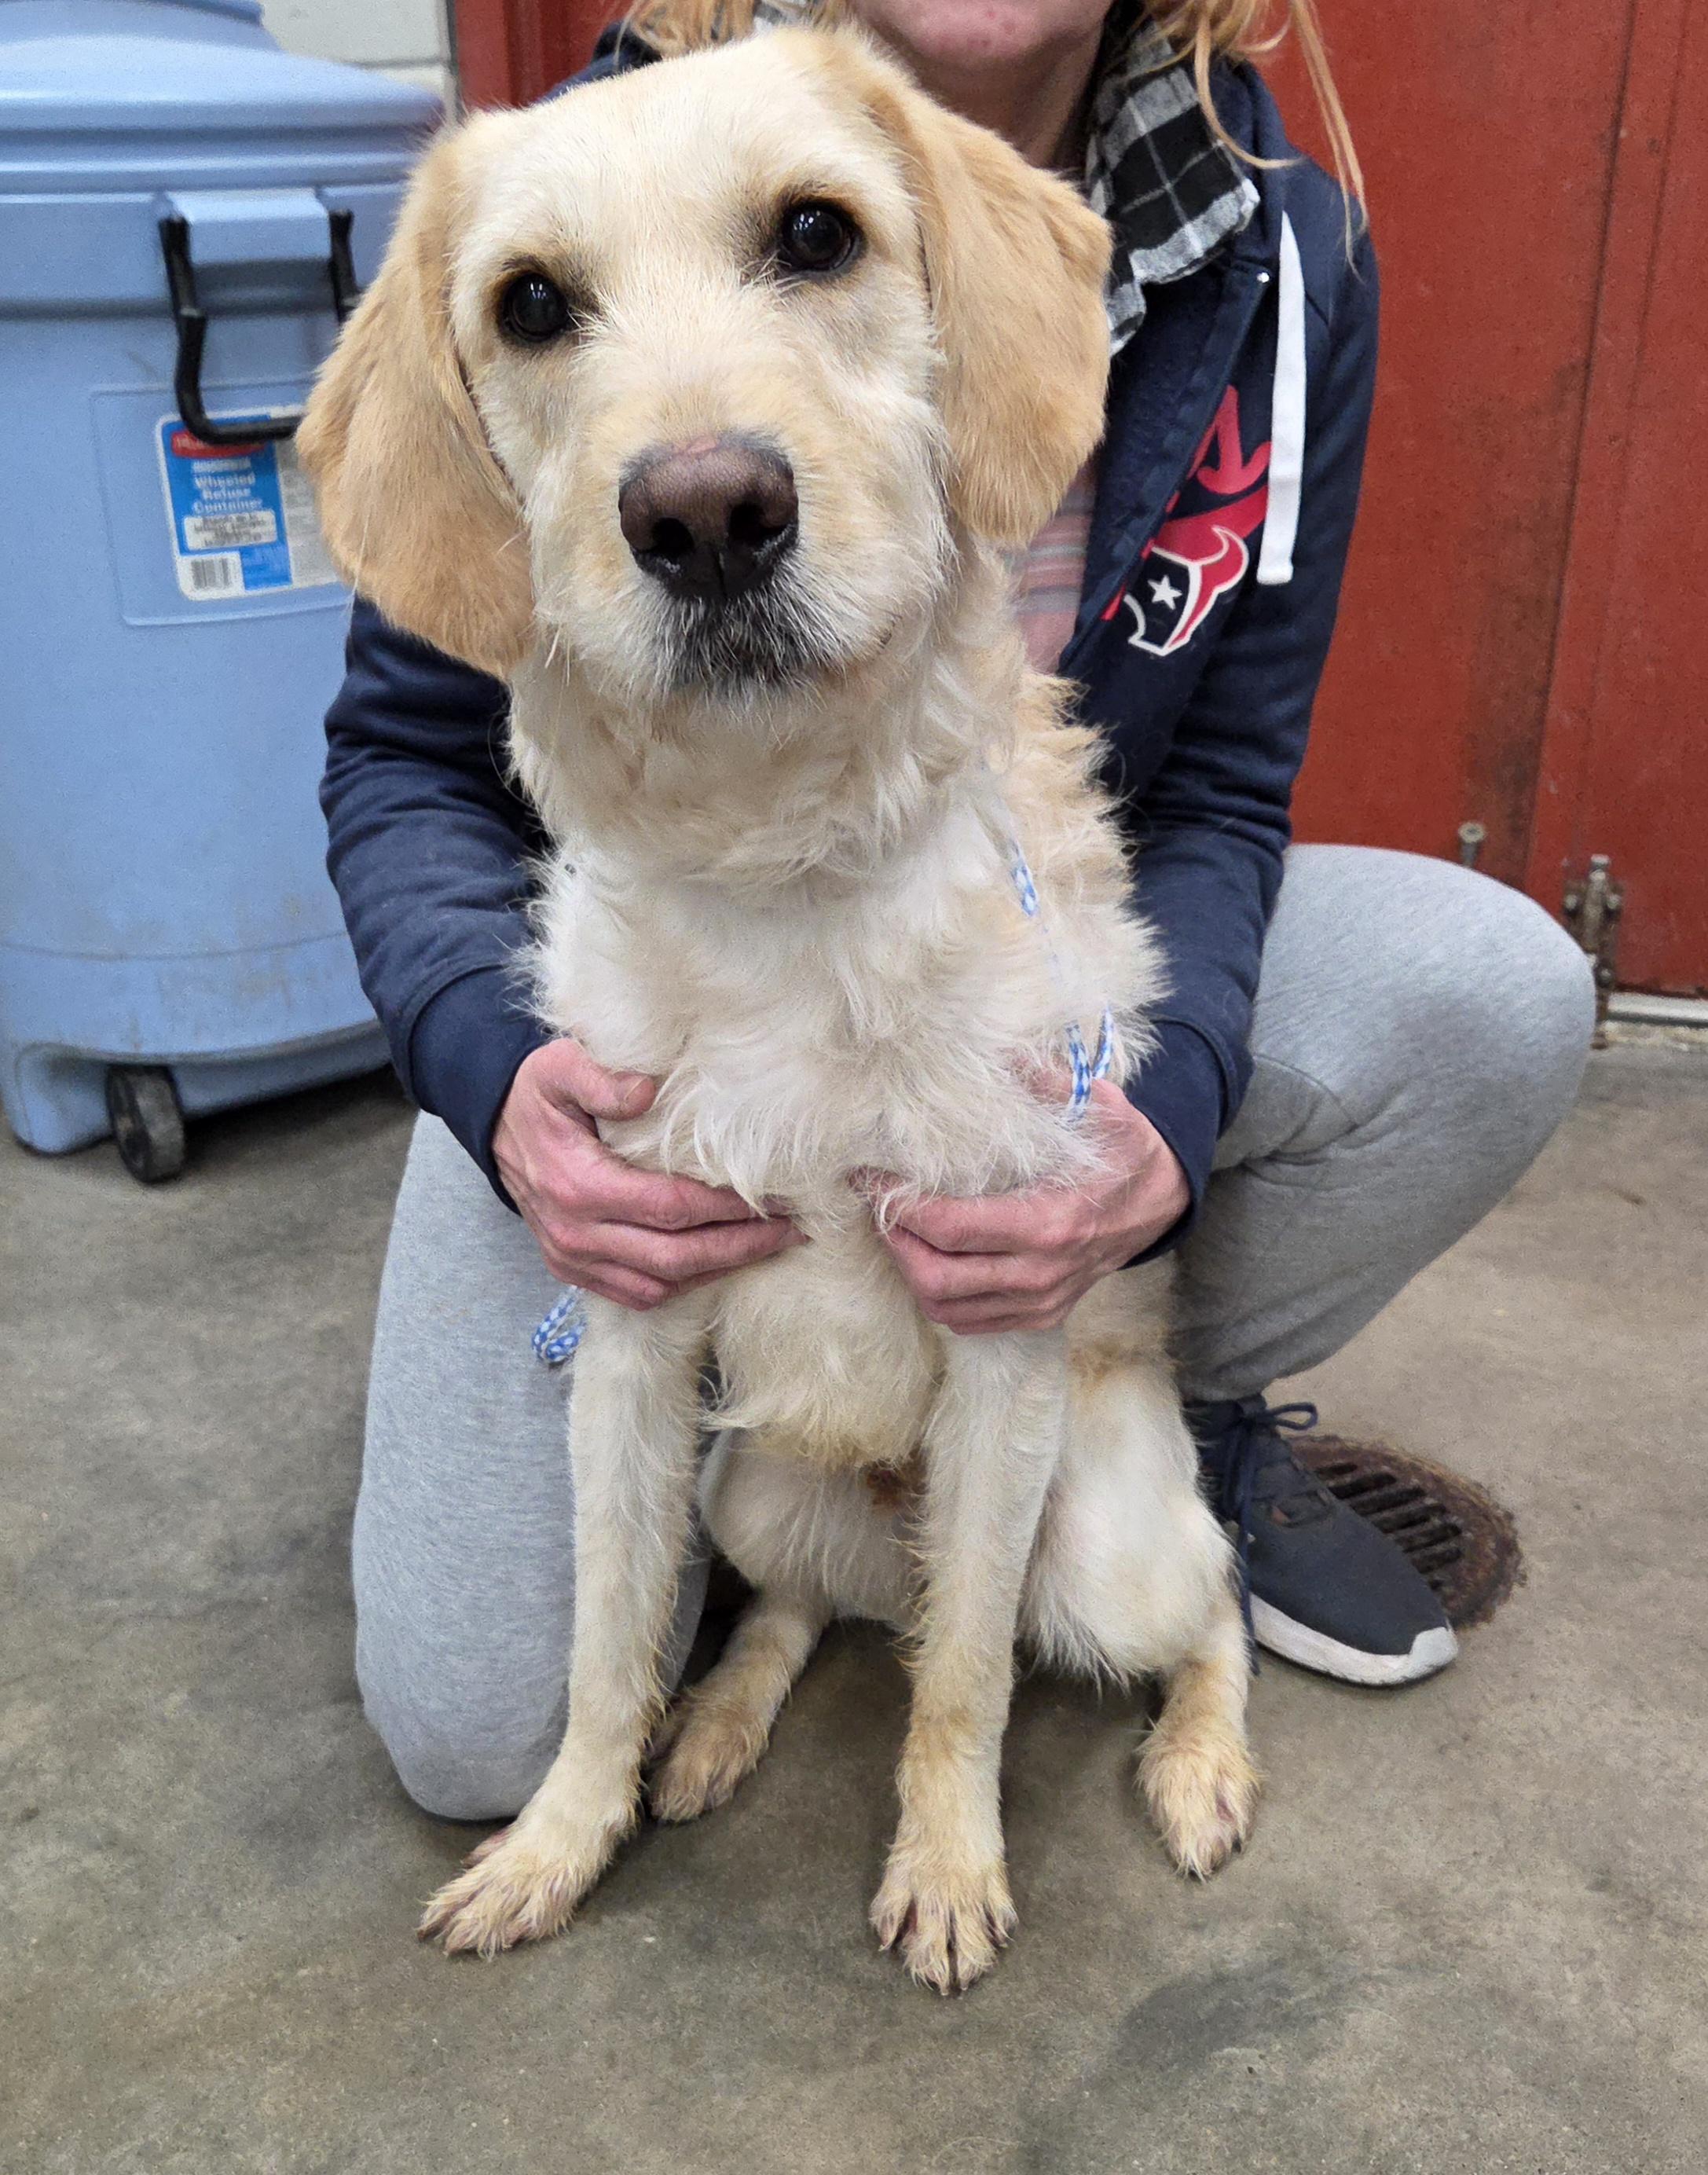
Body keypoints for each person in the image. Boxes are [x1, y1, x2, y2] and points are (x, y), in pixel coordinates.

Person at [321, 0, 1594, 1821]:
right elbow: (398, 761)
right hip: (634, 1016)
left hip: (1001, 948)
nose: (700, 478)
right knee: (469, 1737)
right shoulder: (559, 168)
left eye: (813, 241)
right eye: (546, 312)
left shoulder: (1277, 251)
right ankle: (801, 1486)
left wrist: (1161, 1120)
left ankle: (1123, 1424)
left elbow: (1228, 786)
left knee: (1494, 988)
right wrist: (493, 1073)